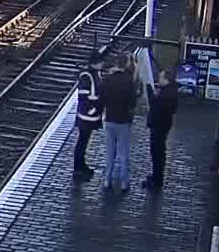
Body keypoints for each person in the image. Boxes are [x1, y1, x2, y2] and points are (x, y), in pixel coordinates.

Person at [99, 55, 139, 192]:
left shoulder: (107, 79)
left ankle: (106, 179)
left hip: (109, 119)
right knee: (123, 153)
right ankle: (124, 182)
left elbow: (101, 95)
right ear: (126, 65)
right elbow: (133, 103)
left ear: (115, 64)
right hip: (123, 121)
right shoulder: (129, 81)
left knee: (110, 152)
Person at [145, 70, 180, 189]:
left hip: (159, 125)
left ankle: (157, 180)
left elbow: (156, 105)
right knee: (157, 152)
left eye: (160, 78)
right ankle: (156, 176)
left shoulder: (167, 93)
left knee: (157, 153)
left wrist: (150, 91)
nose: (158, 80)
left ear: (166, 79)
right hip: (161, 125)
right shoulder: (170, 91)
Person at [72, 49, 104, 179]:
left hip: (91, 114)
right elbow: (84, 96)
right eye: (101, 61)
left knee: (84, 140)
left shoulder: (95, 73)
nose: (103, 64)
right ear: (96, 62)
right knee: (82, 140)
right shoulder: (87, 76)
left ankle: (81, 164)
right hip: (87, 115)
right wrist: (95, 106)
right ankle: (78, 167)